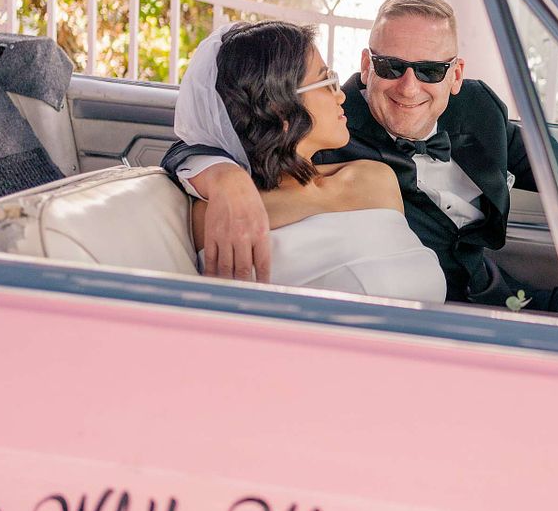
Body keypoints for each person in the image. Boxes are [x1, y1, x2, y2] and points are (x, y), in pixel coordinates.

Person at [163, 0, 558, 312]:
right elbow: (212, 132)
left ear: (456, 75)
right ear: (367, 65)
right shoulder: (328, 124)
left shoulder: (478, 110)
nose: (409, 86)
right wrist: (220, 176)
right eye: (392, 65)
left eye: (431, 71)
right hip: (431, 318)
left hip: (493, 293)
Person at [176, 19, 445, 302]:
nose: (341, 94)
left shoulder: (375, 177)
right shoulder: (232, 215)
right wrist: (223, 178)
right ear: (280, 108)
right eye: (326, 82)